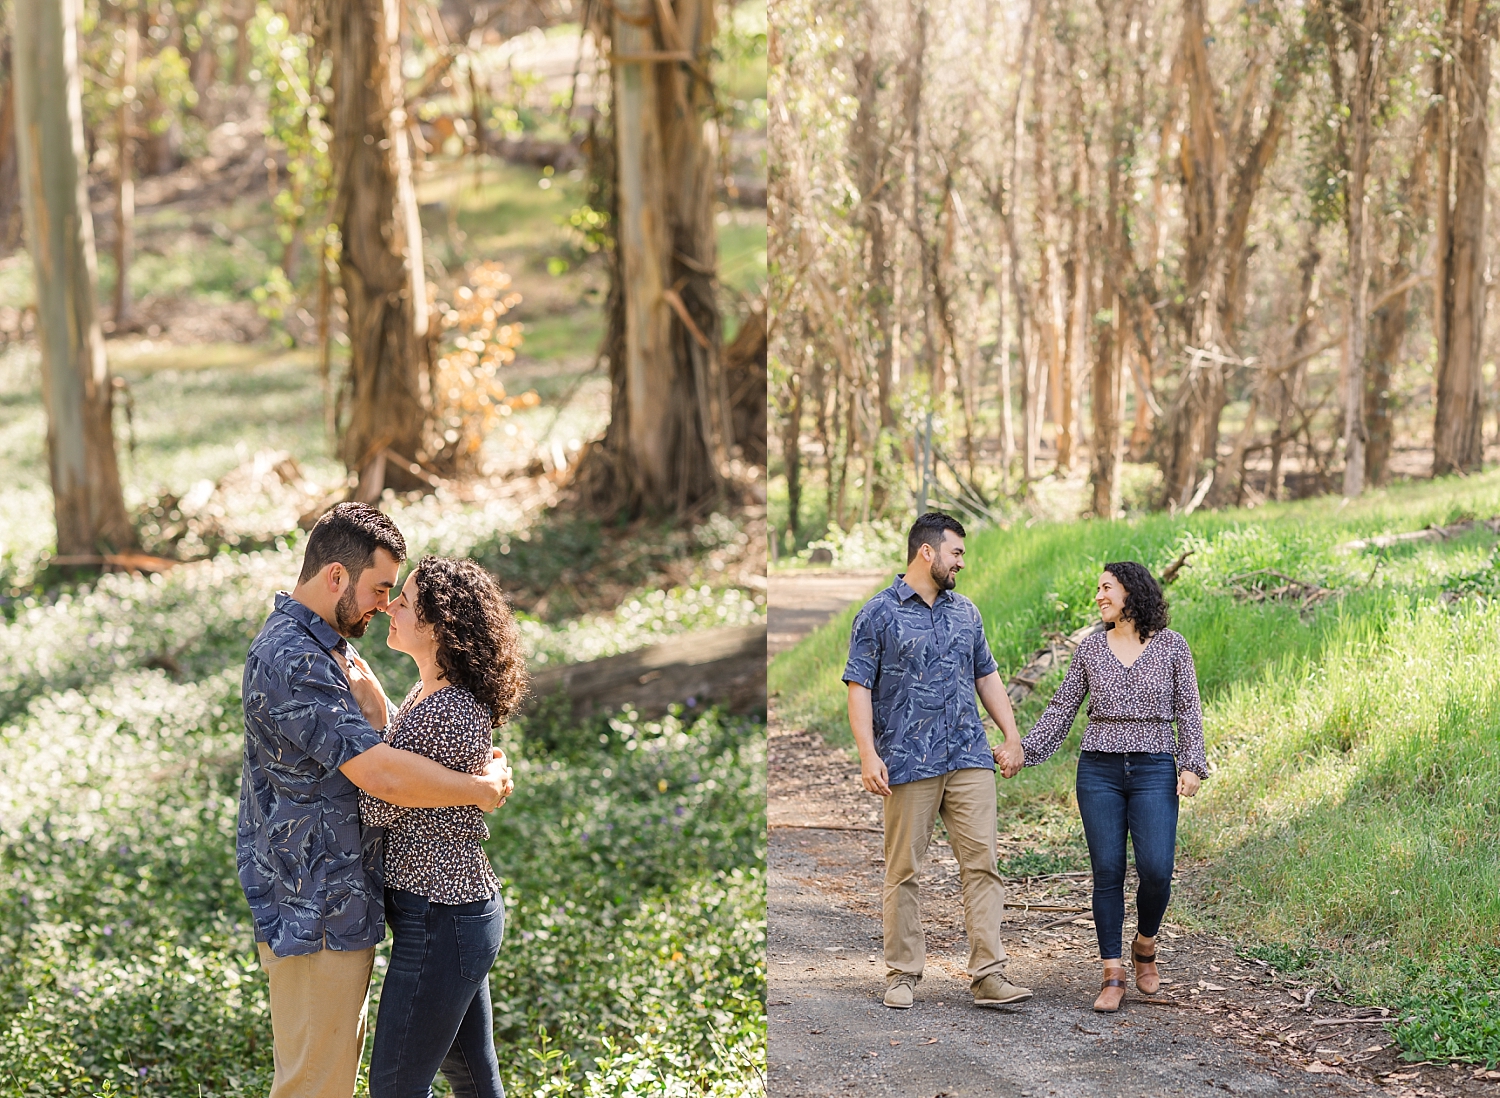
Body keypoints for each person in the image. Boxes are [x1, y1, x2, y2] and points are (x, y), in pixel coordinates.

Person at [238, 503, 514, 1098]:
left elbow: (392, 750)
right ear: (336, 575)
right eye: (380, 588)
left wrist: (382, 710)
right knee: (318, 1087)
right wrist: (480, 790)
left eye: (397, 594)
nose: (384, 604)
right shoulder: (295, 658)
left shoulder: (328, 647)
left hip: (350, 904)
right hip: (314, 906)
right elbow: (383, 775)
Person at [996, 561, 1207, 1013]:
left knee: (1156, 870)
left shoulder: (1172, 646)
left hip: (1153, 766)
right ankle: (1113, 972)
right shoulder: (1092, 649)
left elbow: (1189, 708)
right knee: (1108, 871)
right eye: (1098, 589)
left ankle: (1145, 945)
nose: (1098, 596)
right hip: (1099, 771)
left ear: (1131, 592)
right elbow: (1061, 709)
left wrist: (1191, 764)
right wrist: (1023, 752)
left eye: (1106, 588)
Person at [843, 511, 1033, 1011]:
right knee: (904, 870)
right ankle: (903, 973)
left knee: (983, 865)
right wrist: (868, 754)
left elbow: (987, 676)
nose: (961, 563)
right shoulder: (877, 614)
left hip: (969, 755)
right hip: (908, 761)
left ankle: (989, 974)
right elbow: (859, 687)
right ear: (927, 552)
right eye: (956, 552)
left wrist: (1012, 737)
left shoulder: (965, 611)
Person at [360, 556, 528, 1098]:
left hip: (441, 917)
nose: (389, 606)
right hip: (449, 915)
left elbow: (378, 805)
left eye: (404, 603)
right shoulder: (432, 693)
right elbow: (405, 765)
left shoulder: (447, 712)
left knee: (395, 1087)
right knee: (474, 1081)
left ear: (438, 625)